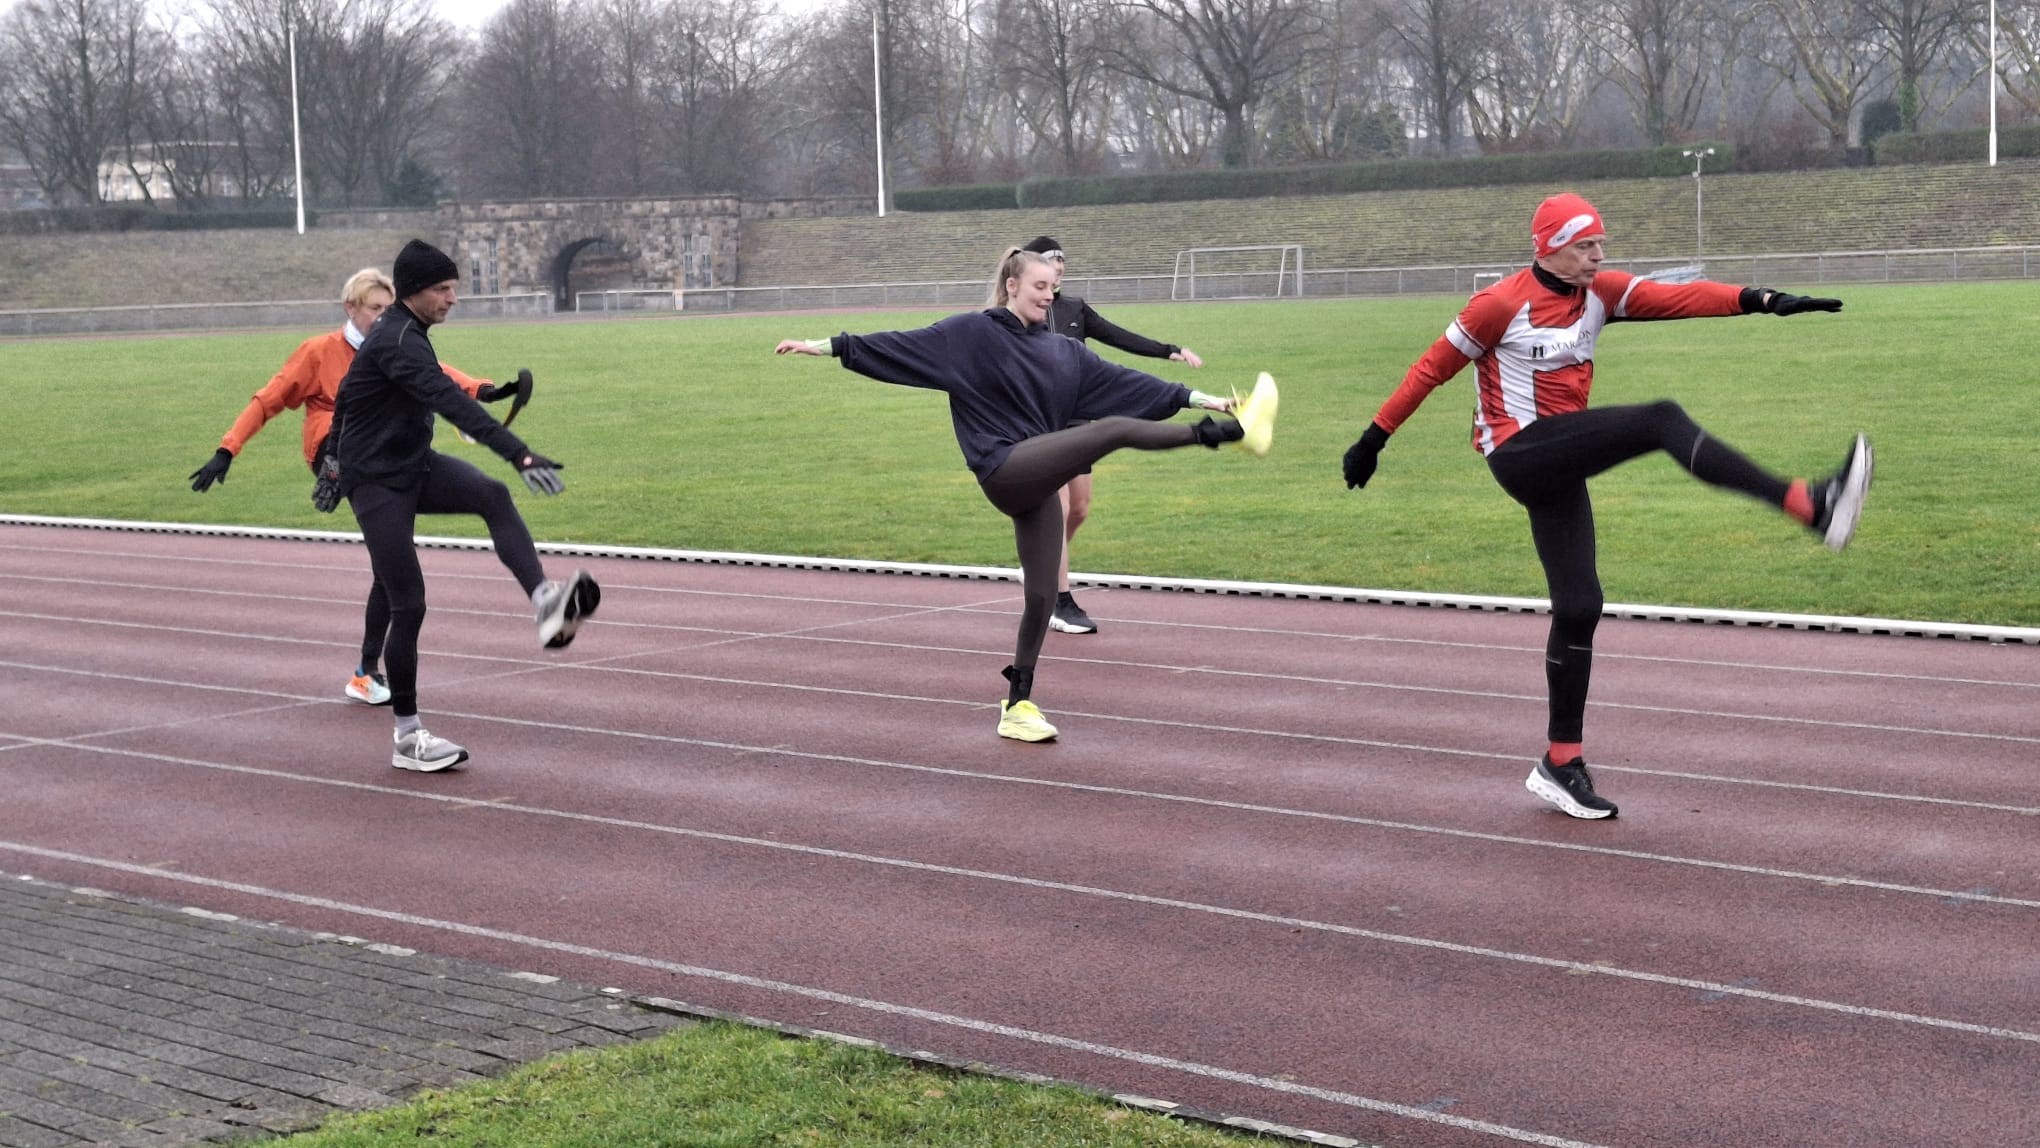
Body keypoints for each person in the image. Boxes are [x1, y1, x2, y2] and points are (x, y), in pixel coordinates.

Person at [1341, 192, 1871, 821]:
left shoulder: (1601, 293)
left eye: (1600, 245)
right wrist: (1375, 437)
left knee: (1580, 606)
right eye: (1585, 246)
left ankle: (1560, 762)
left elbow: (1680, 298)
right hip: (1519, 453)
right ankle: (1809, 505)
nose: (1599, 256)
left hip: (1562, 453)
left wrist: (1761, 300)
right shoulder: (1499, 305)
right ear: (1550, 248)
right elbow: (1430, 368)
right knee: (1661, 420)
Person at [775, 246, 1276, 743]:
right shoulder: (969, 334)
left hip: (1037, 479)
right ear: (1012, 286)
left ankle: (1017, 706)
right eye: (1039, 286)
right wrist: (820, 346)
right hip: (1003, 467)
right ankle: (1232, 435)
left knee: (1039, 598)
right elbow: (895, 345)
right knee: (1111, 431)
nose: (1048, 295)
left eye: (1053, 288)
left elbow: (1129, 382)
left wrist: (1205, 396)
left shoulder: (1063, 352)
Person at [188, 268, 527, 707]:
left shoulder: (397, 344)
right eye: (376, 309)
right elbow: (268, 399)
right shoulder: (318, 352)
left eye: (391, 309)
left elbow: (436, 372)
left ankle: (366, 673)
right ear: (351, 308)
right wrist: (227, 449)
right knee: (393, 561)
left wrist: (484, 390)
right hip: (341, 451)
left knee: (392, 567)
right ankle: (371, 676)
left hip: (389, 454)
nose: (386, 316)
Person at [331, 239, 599, 772]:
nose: (454, 298)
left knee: (490, 496)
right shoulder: (397, 340)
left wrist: (332, 457)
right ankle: (407, 737)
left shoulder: (412, 335)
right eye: (444, 289)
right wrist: (518, 454)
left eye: (455, 288)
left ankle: (547, 600)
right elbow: (444, 398)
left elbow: (357, 399)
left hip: (412, 465)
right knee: (408, 603)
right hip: (378, 484)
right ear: (414, 292)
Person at [1020, 235, 1205, 636]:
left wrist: (1169, 350)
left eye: (1063, 260)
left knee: (1079, 509)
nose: (1060, 266)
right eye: (1051, 260)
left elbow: (1117, 336)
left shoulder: (1073, 308)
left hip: (1076, 419)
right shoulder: (1018, 314)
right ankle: (1060, 601)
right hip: (1038, 423)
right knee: (1059, 509)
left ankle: (1043, 560)